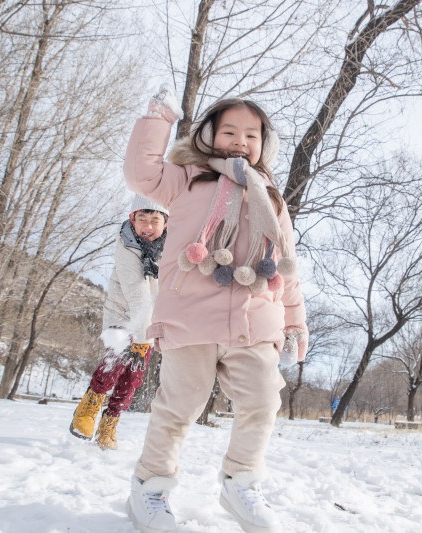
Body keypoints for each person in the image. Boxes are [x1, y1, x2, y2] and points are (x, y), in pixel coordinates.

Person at [121, 85, 308, 533]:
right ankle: (150, 489)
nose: (241, 141)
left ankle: (240, 482)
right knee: (179, 407)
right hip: (191, 315)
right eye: (229, 131)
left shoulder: (272, 196)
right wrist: (158, 117)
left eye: (251, 134)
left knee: (264, 398)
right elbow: (140, 172)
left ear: (266, 144)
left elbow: (288, 264)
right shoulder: (187, 178)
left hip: (256, 317)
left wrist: (295, 321)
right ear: (208, 135)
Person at [69, 195, 168, 450]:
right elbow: (137, 293)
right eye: (142, 219)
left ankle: (110, 422)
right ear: (131, 220)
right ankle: (90, 406)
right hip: (123, 314)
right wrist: (142, 337)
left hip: (148, 320)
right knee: (119, 358)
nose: (148, 226)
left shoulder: (171, 249)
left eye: (155, 220)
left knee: (133, 377)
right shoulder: (126, 245)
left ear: (166, 223)